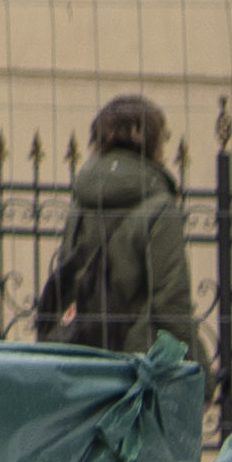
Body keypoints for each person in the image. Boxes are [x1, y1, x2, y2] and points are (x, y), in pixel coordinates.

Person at [36, 89, 198, 368]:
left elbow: (68, 272)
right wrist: (198, 374)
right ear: (152, 141)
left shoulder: (82, 201)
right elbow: (171, 304)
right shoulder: (159, 206)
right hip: (138, 365)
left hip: (80, 357)